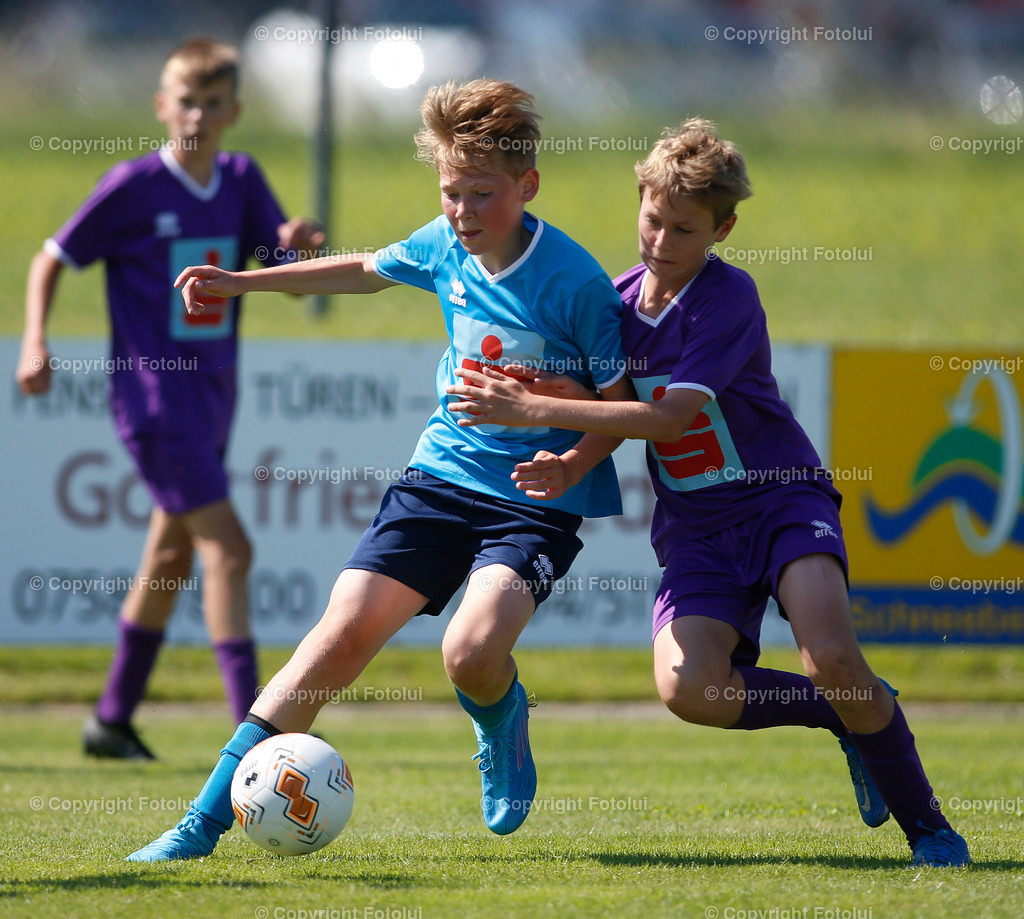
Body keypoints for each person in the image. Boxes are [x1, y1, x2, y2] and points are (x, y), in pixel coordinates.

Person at [125, 77, 632, 861]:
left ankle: (501, 718)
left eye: (481, 194)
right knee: (336, 638)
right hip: (437, 481)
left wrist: (570, 463)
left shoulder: (577, 282)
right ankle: (200, 824)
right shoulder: (441, 244)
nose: (461, 211)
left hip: (532, 501)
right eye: (450, 192)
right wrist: (240, 282)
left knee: (469, 652)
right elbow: (361, 269)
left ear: (528, 185)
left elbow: (619, 401)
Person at [444, 118, 971, 868]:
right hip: (695, 528)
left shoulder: (727, 298)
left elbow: (666, 416)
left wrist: (537, 408)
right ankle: (850, 717)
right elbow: (604, 398)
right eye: (653, 219)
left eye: (684, 229)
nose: (661, 240)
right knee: (689, 688)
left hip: (780, 500)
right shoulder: (614, 302)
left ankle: (932, 830)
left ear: (723, 228)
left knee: (830, 653)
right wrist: (565, 453)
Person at [15, 37, 325, 760]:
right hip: (154, 402)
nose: (198, 115)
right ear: (162, 106)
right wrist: (36, 340)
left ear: (234, 113)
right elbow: (51, 257)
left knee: (170, 554)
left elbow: (281, 267)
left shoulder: (242, 179)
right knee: (231, 549)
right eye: (186, 101)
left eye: (213, 104)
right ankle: (254, 733)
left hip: (215, 399)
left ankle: (112, 718)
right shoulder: (132, 186)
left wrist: (299, 247)